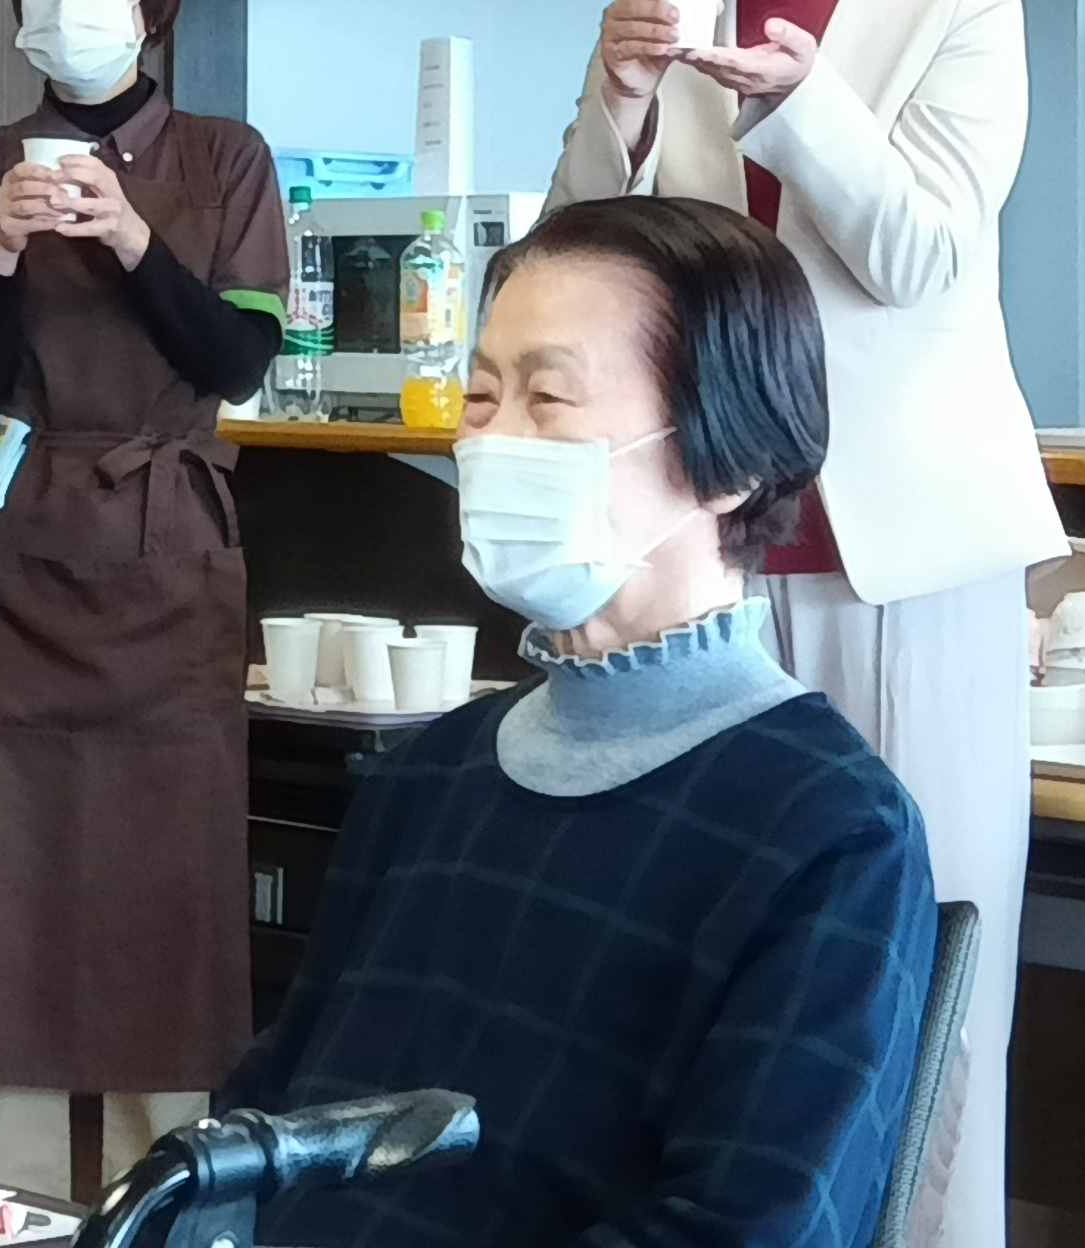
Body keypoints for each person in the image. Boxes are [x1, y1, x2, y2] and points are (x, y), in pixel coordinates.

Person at [545, 0, 1065, 1248]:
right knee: (715, 957)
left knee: (929, 962)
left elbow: (922, 256)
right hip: (716, 560)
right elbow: (581, 277)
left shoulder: (960, 5)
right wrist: (619, 105)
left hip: (909, 559)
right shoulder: (668, 4)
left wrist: (801, 104)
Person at [221, 198, 937, 1248]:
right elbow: (266, 1128)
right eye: (480, 395)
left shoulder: (827, 829)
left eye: (548, 397)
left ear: (731, 458)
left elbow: (750, 1229)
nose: (492, 440)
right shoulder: (428, 774)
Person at [0, 0, 288, 1197]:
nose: (67, 1)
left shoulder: (225, 160)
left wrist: (131, 238)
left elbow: (235, 358)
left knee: (164, 885)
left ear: (152, 7)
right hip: (6, 551)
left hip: (165, 550)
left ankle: (168, 1202)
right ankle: (10, 1199)